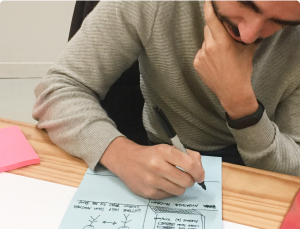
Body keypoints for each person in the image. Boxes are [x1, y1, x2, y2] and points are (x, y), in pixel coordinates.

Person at [33, 1, 300, 199]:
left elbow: (294, 166)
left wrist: (240, 102)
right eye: (245, 4)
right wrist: (121, 154)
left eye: (280, 23)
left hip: (260, 162)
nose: (249, 34)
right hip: (163, 149)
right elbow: (57, 90)